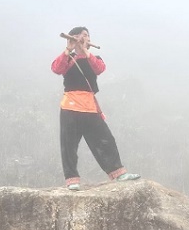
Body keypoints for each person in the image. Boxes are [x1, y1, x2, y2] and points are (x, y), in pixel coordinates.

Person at [51, 26, 140, 190]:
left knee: (106, 140)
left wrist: (85, 51)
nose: (87, 38)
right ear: (74, 37)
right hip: (70, 106)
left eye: (88, 35)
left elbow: (99, 69)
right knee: (69, 145)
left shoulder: (93, 58)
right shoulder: (68, 58)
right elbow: (57, 69)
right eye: (84, 35)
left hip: (90, 107)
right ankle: (72, 180)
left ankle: (118, 173)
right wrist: (69, 48)